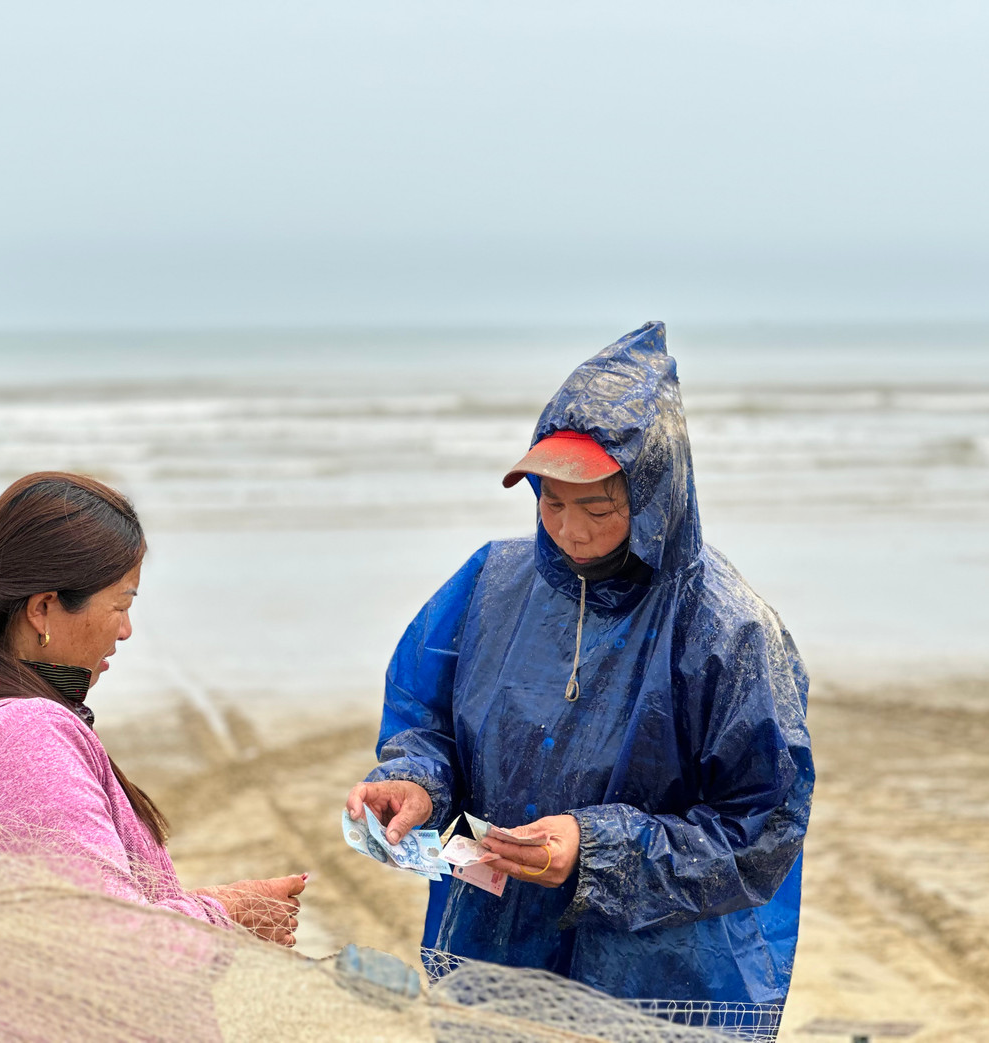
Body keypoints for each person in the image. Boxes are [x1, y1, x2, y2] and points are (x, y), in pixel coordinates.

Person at [346, 322, 813, 1010]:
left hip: (656, 975)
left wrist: (596, 848)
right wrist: (415, 781)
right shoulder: (489, 581)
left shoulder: (729, 630)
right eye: (552, 501)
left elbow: (762, 828)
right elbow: (427, 716)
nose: (571, 530)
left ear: (653, 497)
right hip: (491, 936)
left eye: (598, 505)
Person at [0, 472, 305, 945]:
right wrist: (227, 912)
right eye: (120, 604)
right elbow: (112, 941)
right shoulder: (22, 736)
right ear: (43, 609)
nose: (125, 630)